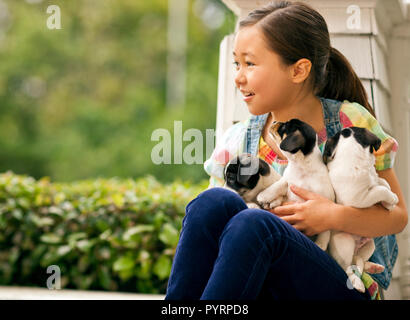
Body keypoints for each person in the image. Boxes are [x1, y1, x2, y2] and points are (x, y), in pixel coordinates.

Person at [164, 0, 408, 300]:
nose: (238, 77)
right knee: (210, 203)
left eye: (250, 63)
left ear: (298, 70)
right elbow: (219, 239)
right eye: (236, 64)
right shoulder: (239, 140)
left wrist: (332, 216)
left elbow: (397, 216)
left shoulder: (349, 123)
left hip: (343, 285)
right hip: (265, 288)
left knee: (255, 223)